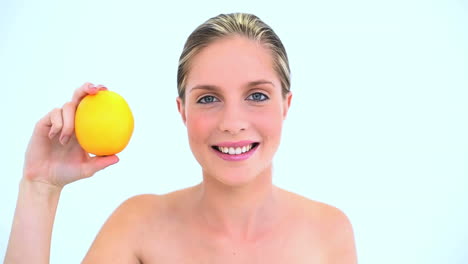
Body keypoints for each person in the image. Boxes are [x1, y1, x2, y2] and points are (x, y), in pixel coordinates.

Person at [4, 13, 357, 263]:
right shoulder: (139, 225)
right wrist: (40, 187)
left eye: (257, 95)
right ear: (182, 111)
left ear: (286, 105)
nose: (232, 123)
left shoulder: (328, 233)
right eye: (208, 98)